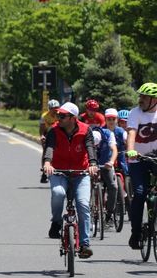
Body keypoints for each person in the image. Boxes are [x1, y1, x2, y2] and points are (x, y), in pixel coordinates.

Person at [42, 102, 97, 259]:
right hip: (59, 171)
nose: (59, 118)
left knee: (83, 203)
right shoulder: (54, 130)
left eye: (62, 116)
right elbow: (50, 147)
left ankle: (85, 244)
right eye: (58, 115)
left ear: (73, 118)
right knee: (58, 193)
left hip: (81, 172)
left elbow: (90, 148)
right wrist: (47, 163)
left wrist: (93, 164)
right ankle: (57, 222)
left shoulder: (86, 130)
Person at [125, 83, 157, 249]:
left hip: (156, 158)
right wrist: (131, 151)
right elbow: (131, 133)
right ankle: (136, 233)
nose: (141, 99)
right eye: (140, 96)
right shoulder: (135, 113)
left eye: (144, 96)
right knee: (139, 193)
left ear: (154, 100)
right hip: (139, 159)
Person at [90, 125, 118, 226]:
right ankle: (89, 206)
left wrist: (111, 162)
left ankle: (109, 213)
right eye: (94, 146)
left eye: (98, 145)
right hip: (91, 165)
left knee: (113, 187)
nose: (96, 147)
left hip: (106, 164)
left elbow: (114, 150)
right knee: (85, 184)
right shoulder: (86, 134)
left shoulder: (108, 134)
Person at [39, 99, 60, 183]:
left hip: (59, 134)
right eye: (52, 108)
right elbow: (42, 128)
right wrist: (42, 136)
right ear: (49, 109)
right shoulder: (45, 116)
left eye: (56, 108)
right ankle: (44, 173)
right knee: (46, 151)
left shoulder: (60, 115)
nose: (55, 110)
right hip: (48, 134)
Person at [104, 108, 128, 176]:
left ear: (117, 120)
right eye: (109, 119)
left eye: (113, 119)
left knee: (124, 164)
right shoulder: (102, 130)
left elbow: (126, 138)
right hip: (106, 154)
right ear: (105, 119)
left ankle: (127, 176)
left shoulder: (121, 131)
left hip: (120, 152)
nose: (111, 121)